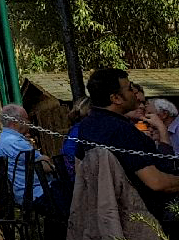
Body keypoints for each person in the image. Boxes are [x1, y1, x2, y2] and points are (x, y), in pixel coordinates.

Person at [74, 69, 179, 224]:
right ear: (116, 98)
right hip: (148, 212)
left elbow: (79, 168)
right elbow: (156, 182)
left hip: (108, 211)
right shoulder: (122, 131)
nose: (135, 93)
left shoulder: (87, 126)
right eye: (130, 89)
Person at [0, 104, 52, 207]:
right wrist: (46, 159)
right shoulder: (15, 142)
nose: (29, 123)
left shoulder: (5, 139)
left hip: (25, 194)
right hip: (36, 193)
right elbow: (46, 167)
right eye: (26, 119)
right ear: (15, 122)